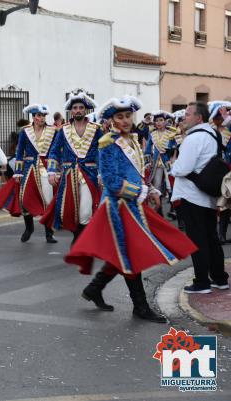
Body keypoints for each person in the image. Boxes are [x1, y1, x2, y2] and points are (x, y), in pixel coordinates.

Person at [66, 96, 197, 323]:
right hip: (117, 207)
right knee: (128, 254)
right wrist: (142, 192)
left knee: (125, 253)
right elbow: (112, 181)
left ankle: (95, 289)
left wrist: (151, 190)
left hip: (133, 205)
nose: (125, 120)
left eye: (128, 116)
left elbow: (136, 173)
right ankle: (140, 306)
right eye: (120, 117)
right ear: (112, 119)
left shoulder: (134, 140)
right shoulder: (108, 143)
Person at [171, 102, 230, 294]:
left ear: (199, 118)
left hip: (192, 196)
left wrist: (173, 166)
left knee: (198, 240)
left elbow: (183, 168)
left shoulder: (193, 138)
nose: (184, 118)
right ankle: (220, 278)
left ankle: (202, 282)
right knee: (211, 238)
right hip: (207, 195)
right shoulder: (213, 134)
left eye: (188, 114)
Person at [41, 91, 103, 243]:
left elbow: (102, 152)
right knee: (69, 210)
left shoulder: (96, 129)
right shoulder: (63, 130)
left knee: (85, 211)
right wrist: (52, 172)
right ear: (71, 110)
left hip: (90, 174)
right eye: (75, 108)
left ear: (85, 109)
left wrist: (101, 173)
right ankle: (78, 237)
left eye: (81, 107)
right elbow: (54, 151)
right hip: (69, 175)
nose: (78, 110)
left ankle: (79, 240)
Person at [1, 104, 58, 243]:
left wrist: (55, 170)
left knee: (48, 199)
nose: (42, 118)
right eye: (39, 115)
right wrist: (18, 172)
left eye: (44, 115)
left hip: (46, 168)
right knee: (24, 199)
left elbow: (55, 151)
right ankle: (29, 227)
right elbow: (19, 152)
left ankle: (49, 232)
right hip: (28, 168)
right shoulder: (25, 131)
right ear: (33, 117)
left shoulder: (52, 131)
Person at [141, 111, 180, 216]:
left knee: (171, 186)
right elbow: (148, 149)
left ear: (165, 121)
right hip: (156, 164)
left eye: (161, 120)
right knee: (157, 186)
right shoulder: (152, 134)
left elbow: (175, 147)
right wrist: (147, 162)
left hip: (168, 163)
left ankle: (175, 210)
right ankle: (159, 211)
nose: (158, 123)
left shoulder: (171, 133)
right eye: (157, 120)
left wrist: (173, 155)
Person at [209, 102, 231, 242]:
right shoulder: (212, 131)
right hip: (221, 169)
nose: (221, 119)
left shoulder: (228, 129)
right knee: (224, 201)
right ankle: (221, 234)